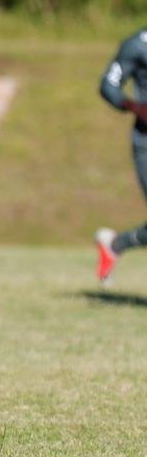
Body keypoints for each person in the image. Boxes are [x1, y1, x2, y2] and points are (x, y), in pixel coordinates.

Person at [95, 25, 147, 283]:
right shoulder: (137, 44)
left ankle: (115, 245)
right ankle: (115, 245)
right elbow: (108, 86)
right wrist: (134, 106)